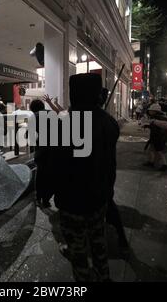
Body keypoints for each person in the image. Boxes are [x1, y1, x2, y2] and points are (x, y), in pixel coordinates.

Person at [53, 73, 119, 282]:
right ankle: (103, 275)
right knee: (98, 240)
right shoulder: (109, 123)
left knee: (78, 249)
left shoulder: (64, 124)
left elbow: (55, 165)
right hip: (99, 195)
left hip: (72, 200)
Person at [30, 99, 54, 208]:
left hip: (41, 148)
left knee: (40, 173)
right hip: (53, 148)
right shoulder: (51, 113)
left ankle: (38, 196)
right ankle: (46, 199)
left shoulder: (34, 116)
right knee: (50, 174)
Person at [143, 103, 167, 171]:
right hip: (155, 136)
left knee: (159, 151)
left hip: (158, 137)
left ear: (155, 111)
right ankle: (151, 162)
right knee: (151, 150)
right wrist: (147, 126)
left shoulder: (159, 118)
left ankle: (164, 164)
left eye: (151, 110)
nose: (149, 112)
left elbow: (160, 127)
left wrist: (149, 125)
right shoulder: (158, 117)